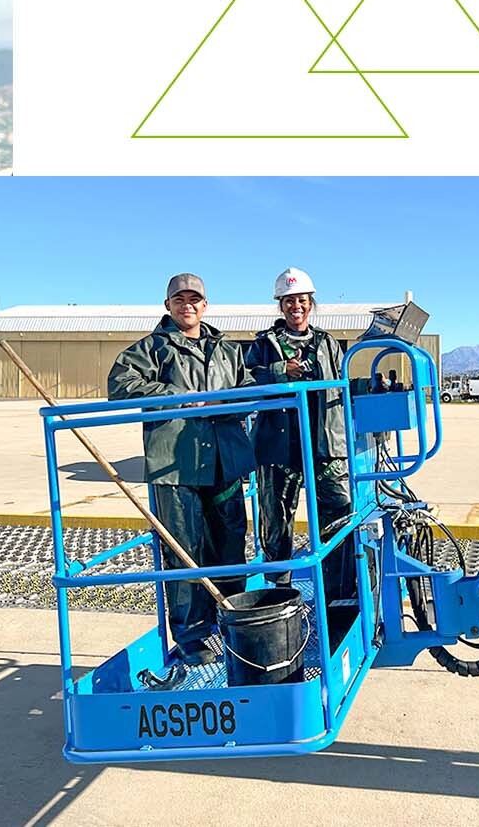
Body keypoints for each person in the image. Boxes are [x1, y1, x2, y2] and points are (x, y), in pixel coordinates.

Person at [107, 273, 253, 665]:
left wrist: (232, 403)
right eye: (179, 300)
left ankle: (232, 621)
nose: (187, 305)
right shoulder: (152, 349)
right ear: (168, 305)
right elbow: (120, 385)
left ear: (206, 305)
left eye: (195, 299)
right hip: (177, 466)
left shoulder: (227, 351)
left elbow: (249, 387)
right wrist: (176, 396)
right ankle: (193, 636)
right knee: (184, 552)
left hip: (224, 462)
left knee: (229, 545)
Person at [244, 267, 355, 602]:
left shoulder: (328, 343)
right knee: (276, 522)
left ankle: (338, 591)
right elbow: (245, 382)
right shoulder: (264, 345)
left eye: (302, 301)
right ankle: (280, 594)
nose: (297, 307)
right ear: (281, 305)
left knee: (337, 516)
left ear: (311, 304)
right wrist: (281, 371)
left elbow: (342, 386)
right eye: (290, 301)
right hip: (278, 448)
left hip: (323, 447)